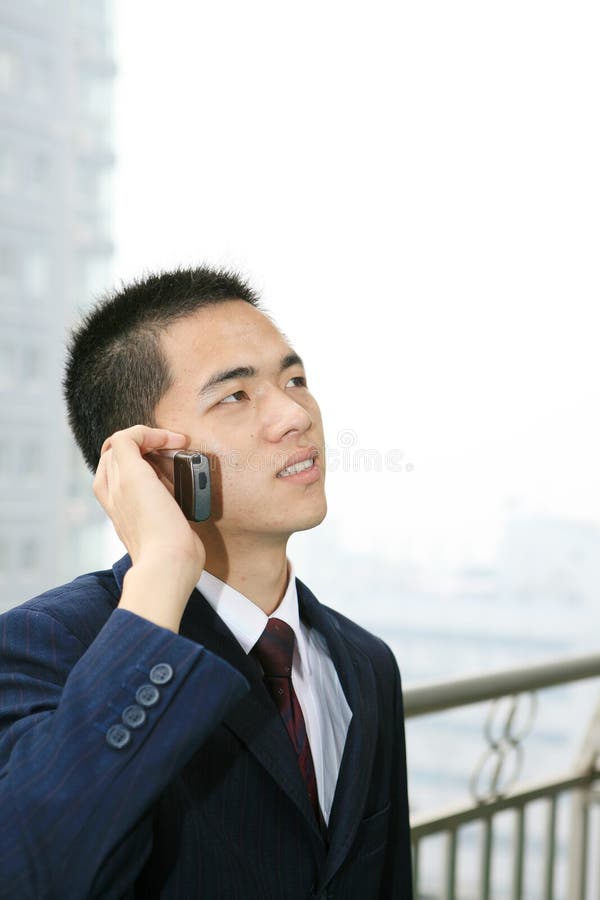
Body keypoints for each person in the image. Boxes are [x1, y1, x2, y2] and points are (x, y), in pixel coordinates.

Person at [0, 267, 413, 899]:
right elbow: (42, 875)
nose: (294, 414)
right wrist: (163, 562)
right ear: (150, 461)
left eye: (295, 380)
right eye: (236, 396)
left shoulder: (364, 664)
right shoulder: (47, 644)